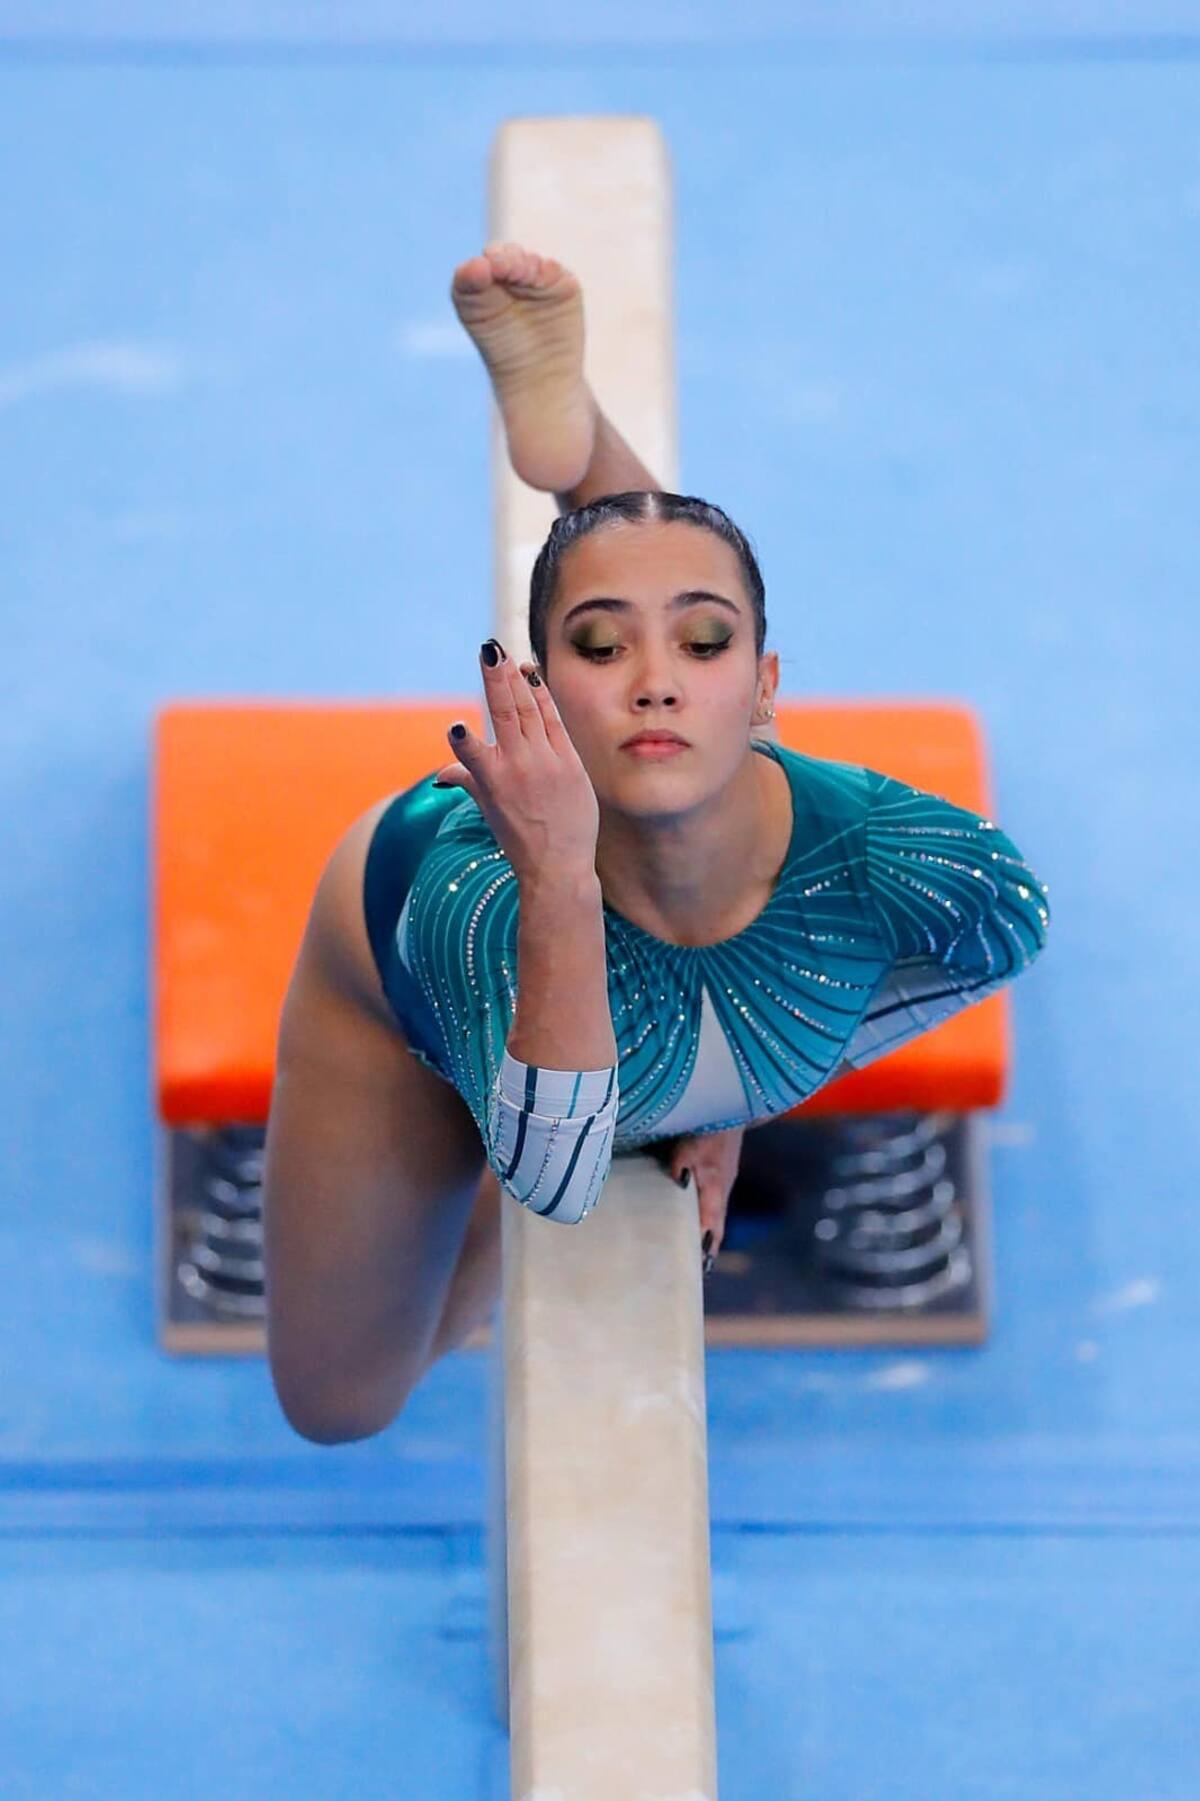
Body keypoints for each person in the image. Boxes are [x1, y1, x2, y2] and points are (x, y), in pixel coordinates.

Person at [262, 242, 1052, 1445]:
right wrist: (561, 885)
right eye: (591, 652)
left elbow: (1003, 931)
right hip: (419, 963)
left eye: (706, 646)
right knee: (345, 1400)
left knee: (653, 650)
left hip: (609, 975)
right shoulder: (464, 900)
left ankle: (574, 440)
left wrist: (737, 1080)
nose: (654, 686)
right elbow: (557, 1181)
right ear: (534, 693)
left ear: (768, 684)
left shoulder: (910, 864)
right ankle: (576, 473)